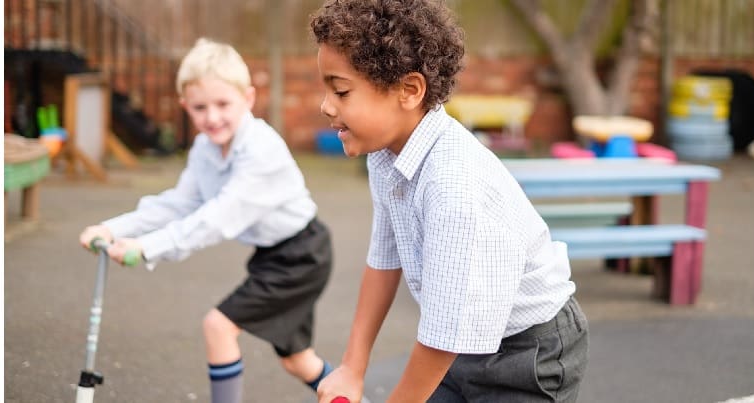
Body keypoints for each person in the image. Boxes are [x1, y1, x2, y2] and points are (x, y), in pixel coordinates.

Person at [309, 1, 588, 402]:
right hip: (460, 343)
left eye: (341, 90)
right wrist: (353, 367)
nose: (326, 105)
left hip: (530, 353)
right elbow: (384, 259)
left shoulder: (453, 184)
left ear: (409, 90)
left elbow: (445, 334)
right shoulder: (384, 155)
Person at [79, 38, 335, 403]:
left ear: (247, 99)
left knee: (218, 326)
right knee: (298, 362)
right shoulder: (205, 148)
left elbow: (215, 220)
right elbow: (178, 204)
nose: (211, 117)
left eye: (222, 104)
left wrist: (146, 247)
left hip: (302, 255)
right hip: (273, 255)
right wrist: (114, 228)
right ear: (185, 107)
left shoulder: (261, 151)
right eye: (200, 107)